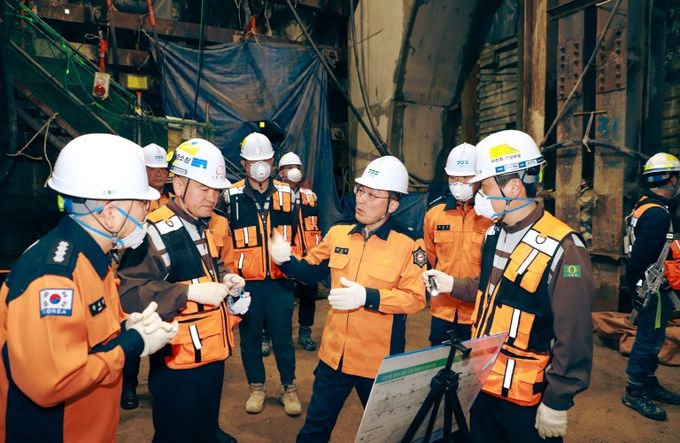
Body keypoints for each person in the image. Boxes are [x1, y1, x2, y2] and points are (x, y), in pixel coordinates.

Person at [0, 133, 177, 442]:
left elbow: (86, 335)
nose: (146, 212)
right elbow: (53, 382)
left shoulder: (95, 260)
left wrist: (125, 327)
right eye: (141, 203)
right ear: (110, 214)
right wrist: (133, 343)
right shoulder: (55, 278)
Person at [270, 155, 427, 442]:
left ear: (393, 205)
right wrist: (286, 262)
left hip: (377, 363)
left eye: (372, 195)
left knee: (386, 435)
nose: (361, 200)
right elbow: (311, 270)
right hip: (334, 357)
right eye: (360, 191)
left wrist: (367, 296)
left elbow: (415, 298)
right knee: (314, 431)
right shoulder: (339, 233)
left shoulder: (409, 244)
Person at [117, 138, 249, 443]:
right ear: (179, 186)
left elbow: (206, 267)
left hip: (211, 353)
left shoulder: (201, 224)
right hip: (177, 364)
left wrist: (226, 277)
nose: (212, 197)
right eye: (204, 189)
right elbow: (131, 293)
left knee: (204, 430)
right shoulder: (152, 230)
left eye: (216, 190)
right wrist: (188, 294)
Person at [467, 130, 594, 442]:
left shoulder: (565, 249)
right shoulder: (493, 234)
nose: (478, 196)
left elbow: (573, 332)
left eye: (484, 186)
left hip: (526, 400)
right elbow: (492, 297)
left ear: (512, 188)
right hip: (482, 385)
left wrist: (557, 400)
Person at [221, 132, 301, 416]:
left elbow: (297, 235)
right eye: (253, 161)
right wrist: (228, 276)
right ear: (243, 164)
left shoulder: (287, 194)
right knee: (250, 340)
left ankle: (289, 388)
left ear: (272, 161)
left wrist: (296, 267)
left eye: (265, 160)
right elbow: (223, 239)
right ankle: (256, 387)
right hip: (247, 284)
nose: (260, 166)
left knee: (283, 339)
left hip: (280, 282)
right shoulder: (229, 196)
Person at [622, 152, 680, 421]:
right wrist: (637, 288)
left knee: (653, 337)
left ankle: (648, 381)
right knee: (649, 339)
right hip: (653, 289)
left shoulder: (646, 205)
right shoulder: (657, 215)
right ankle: (635, 390)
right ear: (670, 179)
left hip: (651, 286)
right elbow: (641, 258)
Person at [421, 143, 492, 345]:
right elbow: (431, 256)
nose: (458, 183)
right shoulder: (435, 214)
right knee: (439, 362)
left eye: (466, 178)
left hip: (478, 312)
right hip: (442, 311)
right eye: (453, 177)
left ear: (479, 177)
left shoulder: (491, 216)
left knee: (475, 363)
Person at [119, 145, 172, 410]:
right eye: (153, 169)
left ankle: (158, 385)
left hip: (160, 276)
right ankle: (128, 386)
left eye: (163, 168)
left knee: (159, 333)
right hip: (133, 274)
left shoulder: (172, 202)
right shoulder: (132, 202)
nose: (160, 173)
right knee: (132, 331)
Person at [278, 151, 322, 351]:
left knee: (308, 298)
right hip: (284, 259)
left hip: (308, 258)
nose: (294, 171)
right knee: (282, 301)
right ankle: (272, 335)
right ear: (281, 172)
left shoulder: (311, 196)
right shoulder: (273, 196)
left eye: (297, 167)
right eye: (289, 167)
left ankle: (305, 332)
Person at [142, 143, 172, 211]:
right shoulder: (135, 202)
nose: (158, 174)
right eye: (152, 169)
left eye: (162, 169)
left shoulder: (175, 200)